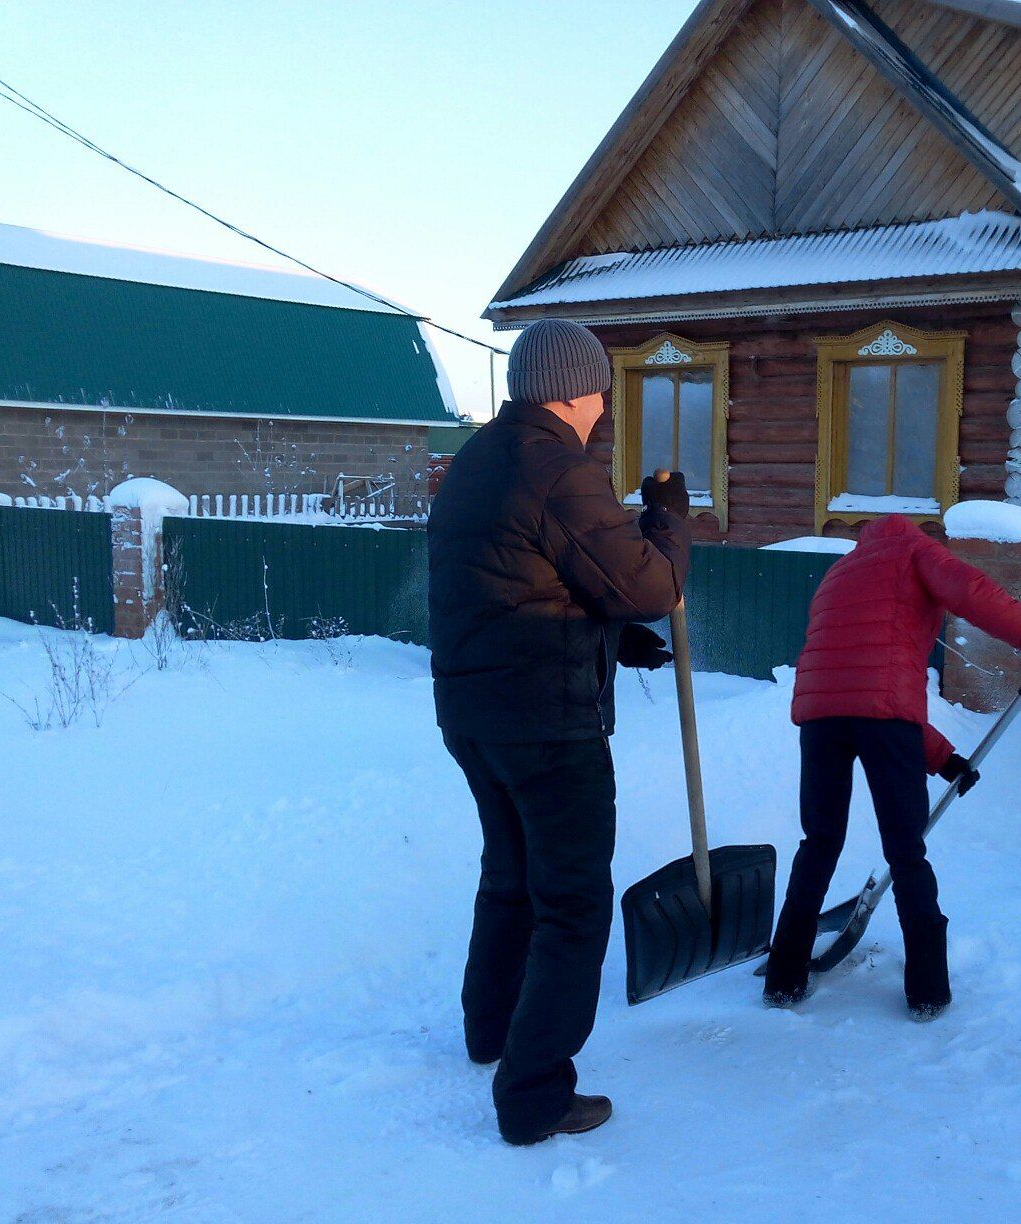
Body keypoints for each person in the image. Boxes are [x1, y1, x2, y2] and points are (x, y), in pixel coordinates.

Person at [428, 318, 692, 1145]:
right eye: (603, 391)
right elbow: (649, 584)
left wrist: (611, 636)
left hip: (477, 716)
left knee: (510, 875)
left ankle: (491, 1031)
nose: (604, 406)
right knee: (573, 904)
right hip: (547, 725)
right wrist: (668, 518)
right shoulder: (558, 469)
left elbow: (522, 580)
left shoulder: (480, 460)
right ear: (581, 390)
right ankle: (535, 1092)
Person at [762, 515, 1021, 1018]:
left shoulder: (840, 573)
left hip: (820, 719)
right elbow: (975, 592)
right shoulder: (916, 553)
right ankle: (927, 990)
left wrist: (943, 758)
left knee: (819, 843)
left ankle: (783, 978)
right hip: (884, 721)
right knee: (906, 852)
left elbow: (861, 681)